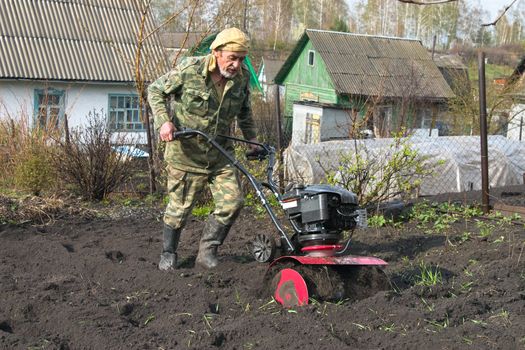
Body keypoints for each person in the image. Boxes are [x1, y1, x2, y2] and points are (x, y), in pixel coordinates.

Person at [147, 27, 259, 270]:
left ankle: (207, 251)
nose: (236, 65)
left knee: (233, 202)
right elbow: (155, 90)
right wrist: (163, 121)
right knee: (179, 210)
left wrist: (252, 140)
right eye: (232, 58)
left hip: (220, 155)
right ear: (216, 52)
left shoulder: (242, 79)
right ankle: (169, 252)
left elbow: (245, 113)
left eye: (241, 59)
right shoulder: (190, 70)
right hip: (186, 154)